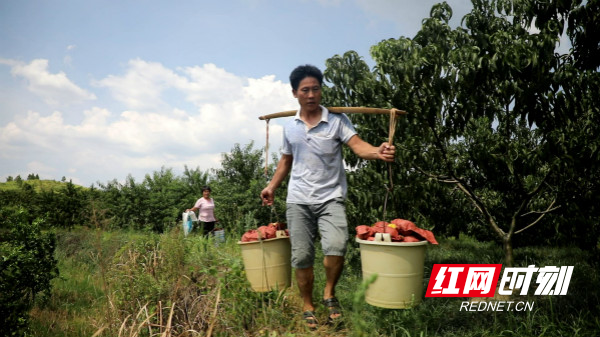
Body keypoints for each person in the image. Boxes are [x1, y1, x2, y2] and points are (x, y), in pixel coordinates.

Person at [260, 65, 395, 329]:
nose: (311, 95)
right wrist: (272, 186)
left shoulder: (337, 120)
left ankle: (329, 293)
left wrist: (378, 152)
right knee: (301, 257)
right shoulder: (290, 128)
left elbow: (359, 147)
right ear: (295, 93)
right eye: (305, 90)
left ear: (321, 91)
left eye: (316, 89)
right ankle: (307, 304)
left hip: (330, 197)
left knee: (336, 246)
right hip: (298, 199)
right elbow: (286, 161)